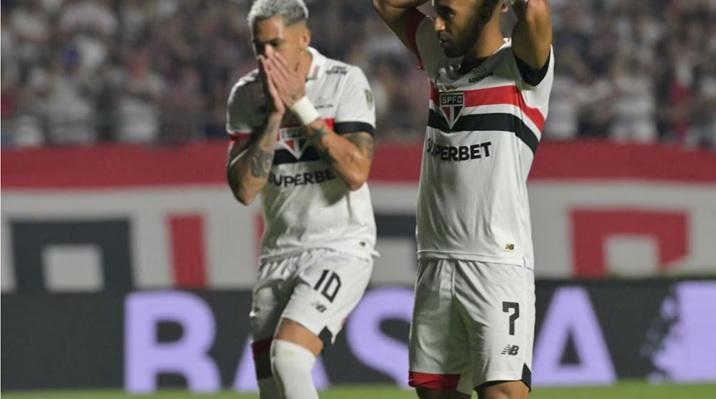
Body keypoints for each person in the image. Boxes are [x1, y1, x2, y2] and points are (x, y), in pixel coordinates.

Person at [373, 0, 553, 398]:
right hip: (435, 262)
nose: (436, 24)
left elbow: (536, 12)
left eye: (448, 13)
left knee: (503, 392)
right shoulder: (442, 56)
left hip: (495, 264)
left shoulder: (521, 67)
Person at [225, 1, 377, 398]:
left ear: (304, 38)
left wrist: (301, 106)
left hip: (340, 247)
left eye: (276, 44)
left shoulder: (344, 81)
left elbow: (357, 171)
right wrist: (274, 117)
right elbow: (244, 190)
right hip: (278, 255)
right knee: (273, 387)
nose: (267, 58)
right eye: (259, 48)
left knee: (290, 356)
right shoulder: (246, 96)